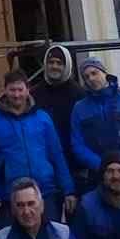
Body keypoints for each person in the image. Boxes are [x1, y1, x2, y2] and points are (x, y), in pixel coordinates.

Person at [0, 69, 74, 222]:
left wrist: (68, 190)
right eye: (12, 90)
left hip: (46, 193)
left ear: (27, 90)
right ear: (5, 90)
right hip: (10, 197)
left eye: (20, 89)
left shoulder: (42, 118)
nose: (17, 94)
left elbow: (57, 155)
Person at [69, 55, 120, 191]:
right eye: (86, 77)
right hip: (97, 176)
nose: (91, 79)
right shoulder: (79, 108)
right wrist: (101, 165)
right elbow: (77, 144)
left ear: (105, 73)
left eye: (94, 73)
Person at [30, 44, 85, 178]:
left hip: (76, 167)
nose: (54, 66)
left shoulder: (79, 94)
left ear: (67, 66)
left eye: (59, 63)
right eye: (51, 62)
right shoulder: (34, 94)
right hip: (44, 166)